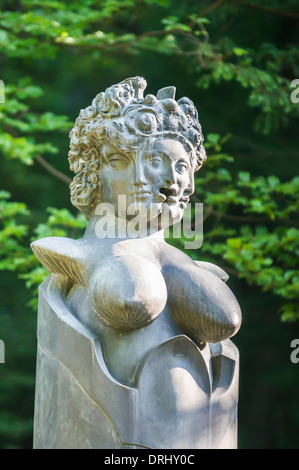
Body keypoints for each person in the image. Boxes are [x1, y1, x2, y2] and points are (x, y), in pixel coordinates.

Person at [31, 77, 241, 386]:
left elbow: (227, 320)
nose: (175, 180)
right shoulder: (77, 255)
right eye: (157, 161)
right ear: (108, 166)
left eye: (182, 167)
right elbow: (130, 298)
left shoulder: (187, 265)